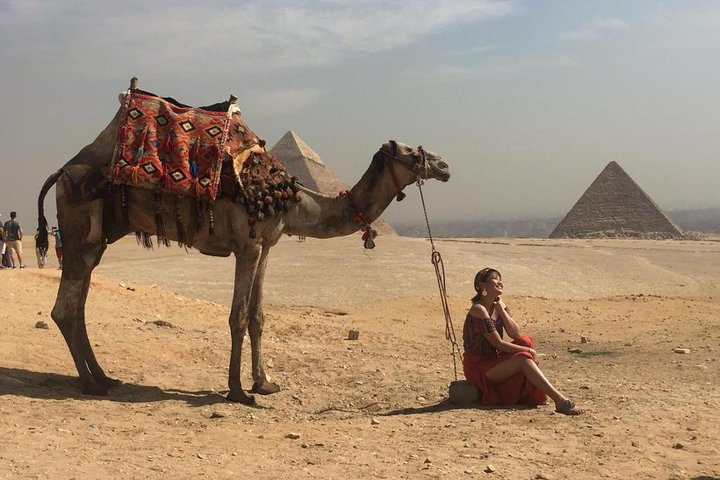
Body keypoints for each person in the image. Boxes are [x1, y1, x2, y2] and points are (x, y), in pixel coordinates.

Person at [462, 267, 583, 415]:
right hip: (478, 367)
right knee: (524, 358)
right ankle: (560, 401)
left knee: (525, 341)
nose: (500, 283)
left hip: (492, 359)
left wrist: (500, 307)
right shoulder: (479, 309)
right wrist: (528, 352)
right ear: (482, 286)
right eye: (495, 280)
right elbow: (498, 343)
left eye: (501, 281)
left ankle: (525, 392)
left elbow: (515, 334)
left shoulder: (497, 305)